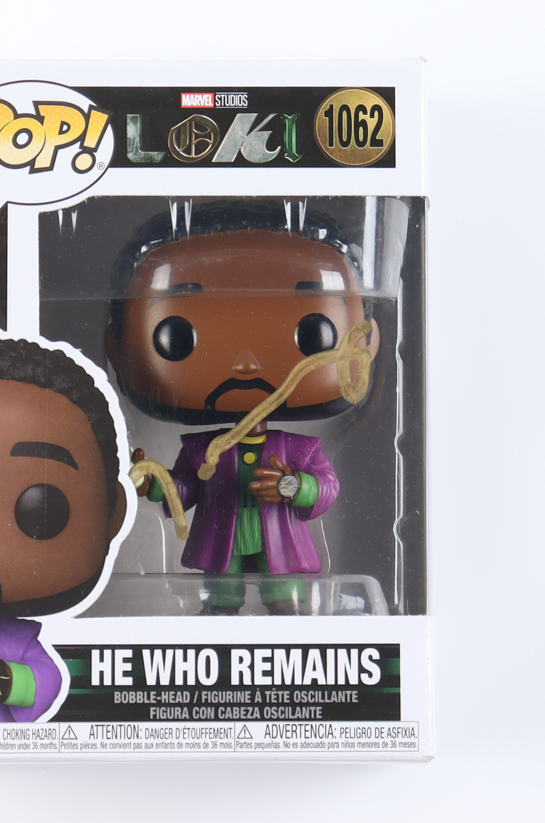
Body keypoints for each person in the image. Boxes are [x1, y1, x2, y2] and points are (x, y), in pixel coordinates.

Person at [106, 202, 378, 614]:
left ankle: (291, 635)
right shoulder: (200, 451)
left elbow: (326, 489)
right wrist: (152, 483)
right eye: (177, 335)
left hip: (282, 550)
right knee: (220, 605)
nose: (246, 365)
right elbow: (183, 491)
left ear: (367, 344)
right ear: (117, 347)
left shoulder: (301, 450)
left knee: (287, 607)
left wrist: (294, 487)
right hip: (223, 548)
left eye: (314, 333)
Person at [0, 334, 127, 721]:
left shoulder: (10, 638)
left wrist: (7, 682)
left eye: (39, 510)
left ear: (112, 513)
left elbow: (47, 679)